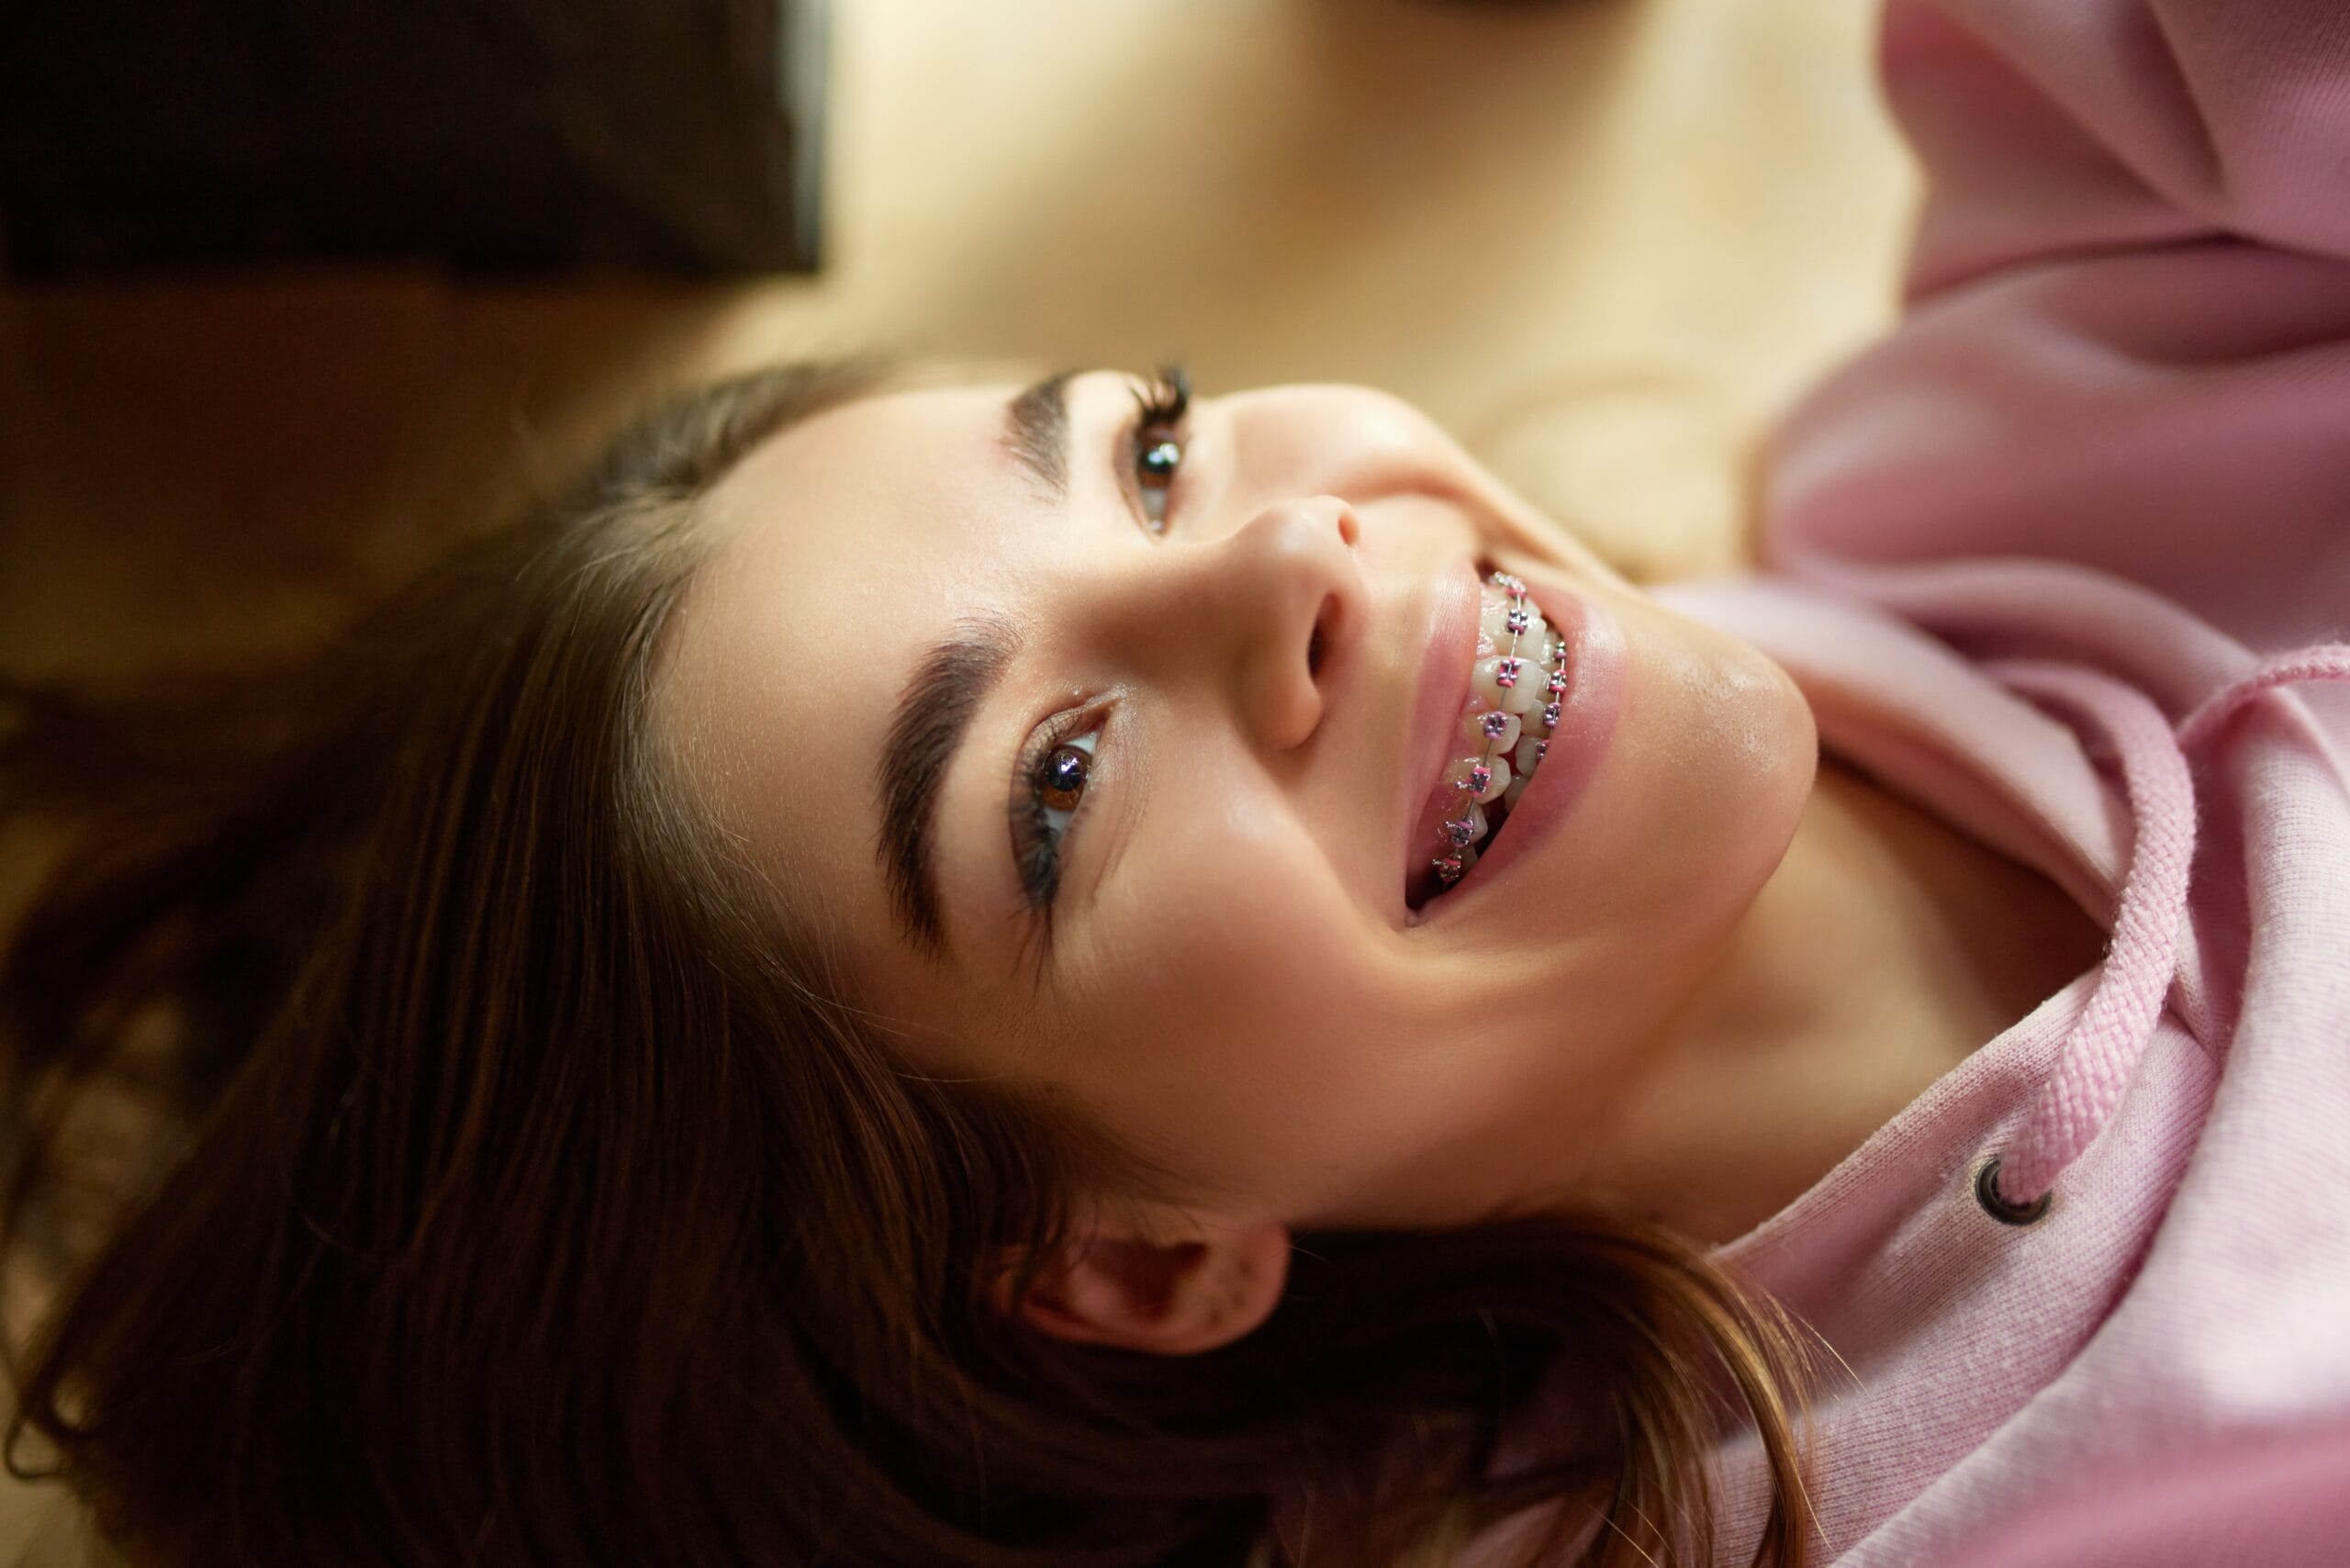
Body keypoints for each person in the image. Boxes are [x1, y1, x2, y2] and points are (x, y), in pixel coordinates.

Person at [4, 4, 2346, 1568]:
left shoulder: (2034, 441)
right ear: (1129, 1260)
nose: (1281, 555)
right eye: (1053, 785)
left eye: (1142, 449)